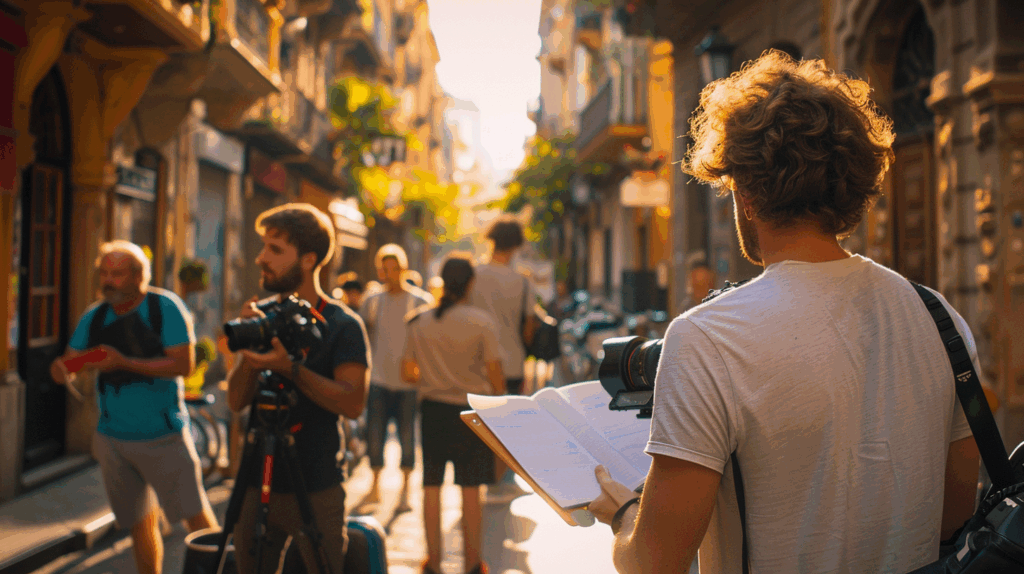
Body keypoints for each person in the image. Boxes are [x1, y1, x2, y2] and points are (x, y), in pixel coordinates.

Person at [589, 50, 981, 573]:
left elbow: (655, 563)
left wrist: (624, 515)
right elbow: (954, 514)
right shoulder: (940, 319)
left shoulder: (709, 338)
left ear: (747, 194)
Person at [49, 240, 219, 574]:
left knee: (195, 517)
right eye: (105, 273)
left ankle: (218, 569)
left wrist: (123, 362)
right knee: (140, 524)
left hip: (164, 435)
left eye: (118, 273)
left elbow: (183, 365)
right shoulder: (96, 315)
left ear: (139, 276)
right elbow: (69, 361)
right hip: (113, 439)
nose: (109, 280)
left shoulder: (165, 308)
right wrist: (66, 367)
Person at [226, 203, 371, 574]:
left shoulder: (343, 324)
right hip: (256, 480)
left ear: (308, 259)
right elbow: (236, 400)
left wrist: (291, 370)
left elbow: (353, 403)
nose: (260, 258)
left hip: (317, 482)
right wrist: (250, 352)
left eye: (275, 250)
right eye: (263, 247)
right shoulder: (262, 317)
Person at [401, 254, 504, 574]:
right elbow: (496, 378)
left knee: (431, 485)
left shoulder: (418, 321)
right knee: (471, 488)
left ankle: (433, 560)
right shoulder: (483, 322)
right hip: (471, 412)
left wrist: (434, 378)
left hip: (432, 411)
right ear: (470, 284)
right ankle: (473, 563)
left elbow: (407, 373)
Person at [358, 244, 433, 511]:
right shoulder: (372, 301)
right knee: (375, 436)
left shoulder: (421, 302)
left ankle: (404, 494)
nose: (389, 273)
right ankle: (375, 487)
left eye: (394, 268)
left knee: (407, 437)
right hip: (378, 379)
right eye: (384, 268)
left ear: (403, 268)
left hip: (409, 384)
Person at [469, 217, 538, 500]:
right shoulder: (522, 282)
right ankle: (502, 482)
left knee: (479, 422)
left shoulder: (473, 275)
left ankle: (479, 479)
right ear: (517, 246)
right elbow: (529, 327)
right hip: (511, 361)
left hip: (476, 364)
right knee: (507, 424)